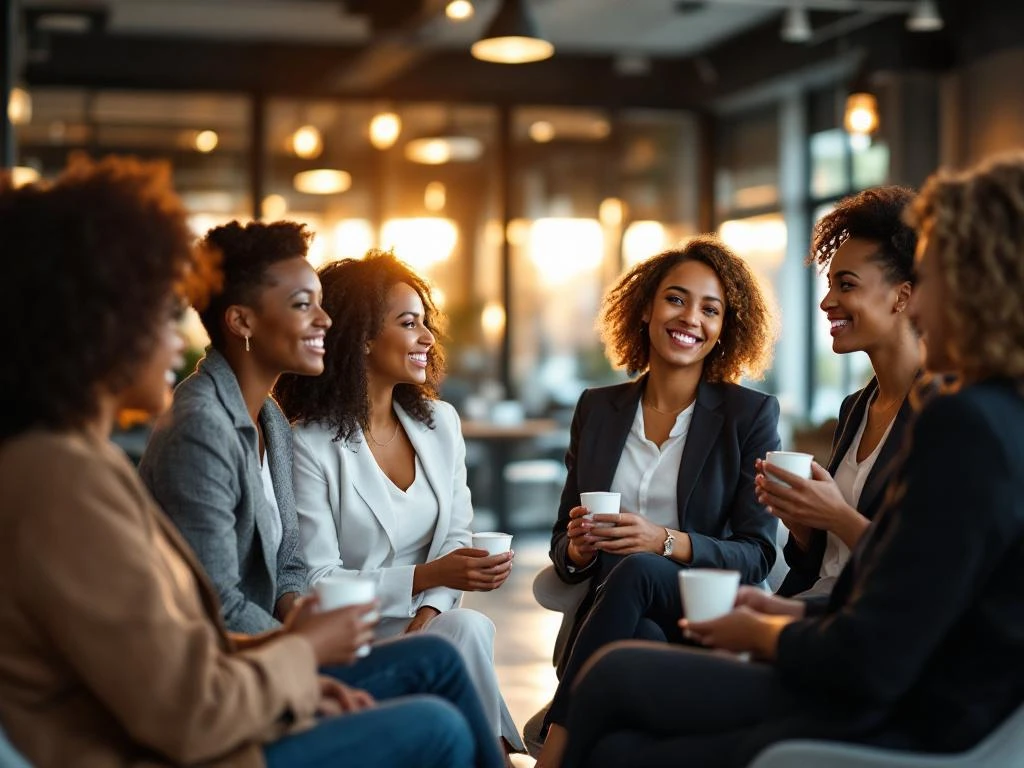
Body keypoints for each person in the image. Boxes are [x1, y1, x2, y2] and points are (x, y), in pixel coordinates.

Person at [0, 156, 504, 768]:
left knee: (444, 659)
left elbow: (234, 607)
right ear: (91, 327)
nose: (177, 338)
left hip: (235, 686)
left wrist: (295, 662)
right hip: (199, 740)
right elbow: (191, 688)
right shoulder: (72, 480)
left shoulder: (239, 426)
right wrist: (299, 657)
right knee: (437, 727)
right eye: (160, 315)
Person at [559, 153, 1024, 768]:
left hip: (903, 715)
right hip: (896, 683)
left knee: (619, 702)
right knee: (621, 689)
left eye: (930, 278)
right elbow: (913, 591)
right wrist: (787, 595)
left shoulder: (966, 422)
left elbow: (877, 652)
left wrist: (768, 630)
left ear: (970, 285)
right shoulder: (970, 413)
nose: (920, 304)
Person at [536, 236, 781, 767]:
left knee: (641, 569)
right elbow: (561, 540)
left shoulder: (749, 416)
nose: (690, 317)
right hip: (613, 617)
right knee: (631, 651)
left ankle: (552, 749)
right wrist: (577, 552)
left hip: (702, 612)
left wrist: (664, 542)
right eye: (676, 299)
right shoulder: (597, 409)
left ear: (723, 330)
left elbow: (758, 554)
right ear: (646, 307)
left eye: (710, 309)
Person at [275, 251, 526, 759]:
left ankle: (488, 755)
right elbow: (316, 580)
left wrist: (431, 606)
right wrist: (425, 577)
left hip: (426, 621)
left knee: (466, 625)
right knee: (462, 634)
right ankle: (495, 752)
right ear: (362, 338)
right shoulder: (309, 445)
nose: (428, 338)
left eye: (425, 323)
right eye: (408, 323)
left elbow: (457, 534)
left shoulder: (440, 423)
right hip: (355, 640)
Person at [140, 220, 327, 633]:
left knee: (443, 649)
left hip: (275, 654)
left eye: (320, 302)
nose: (325, 320)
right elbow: (217, 606)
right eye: (302, 304)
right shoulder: (201, 427)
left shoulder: (271, 419)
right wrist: (310, 653)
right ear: (242, 321)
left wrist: (300, 616)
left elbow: (288, 562)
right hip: (222, 674)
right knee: (437, 667)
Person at [759, 186, 924, 598]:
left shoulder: (944, 412)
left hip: (869, 623)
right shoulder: (856, 407)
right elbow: (821, 563)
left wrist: (836, 516)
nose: (827, 301)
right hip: (816, 605)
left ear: (902, 296)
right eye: (830, 285)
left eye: (846, 285)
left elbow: (926, 571)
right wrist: (803, 525)